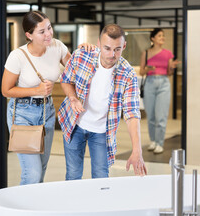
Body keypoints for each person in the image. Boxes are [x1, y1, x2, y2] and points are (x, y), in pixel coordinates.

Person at [1, 10, 93, 185]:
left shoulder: (57, 47)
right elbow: (6, 90)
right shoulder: (17, 56)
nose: (49, 34)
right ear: (29, 35)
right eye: (42, 31)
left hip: (47, 112)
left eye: (49, 28)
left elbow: (76, 68)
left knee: (41, 168)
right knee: (33, 173)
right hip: (22, 113)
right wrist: (36, 90)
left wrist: (84, 51)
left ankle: (32, 208)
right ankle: (22, 211)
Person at [58, 24, 147, 180]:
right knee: (73, 174)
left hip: (101, 132)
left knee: (101, 177)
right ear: (98, 43)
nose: (112, 54)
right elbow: (66, 80)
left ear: (124, 46)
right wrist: (73, 98)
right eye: (107, 48)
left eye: (117, 49)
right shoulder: (82, 56)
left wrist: (137, 150)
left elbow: (132, 112)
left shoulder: (128, 73)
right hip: (75, 124)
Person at [139, 28, 180, 154]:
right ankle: (153, 141)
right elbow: (141, 72)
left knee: (161, 116)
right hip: (150, 83)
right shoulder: (146, 53)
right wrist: (148, 68)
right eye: (159, 36)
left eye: (163, 36)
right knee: (151, 116)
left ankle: (160, 143)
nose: (162, 38)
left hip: (164, 84)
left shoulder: (168, 53)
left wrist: (172, 67)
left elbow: (169, 73)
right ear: (153, 38)